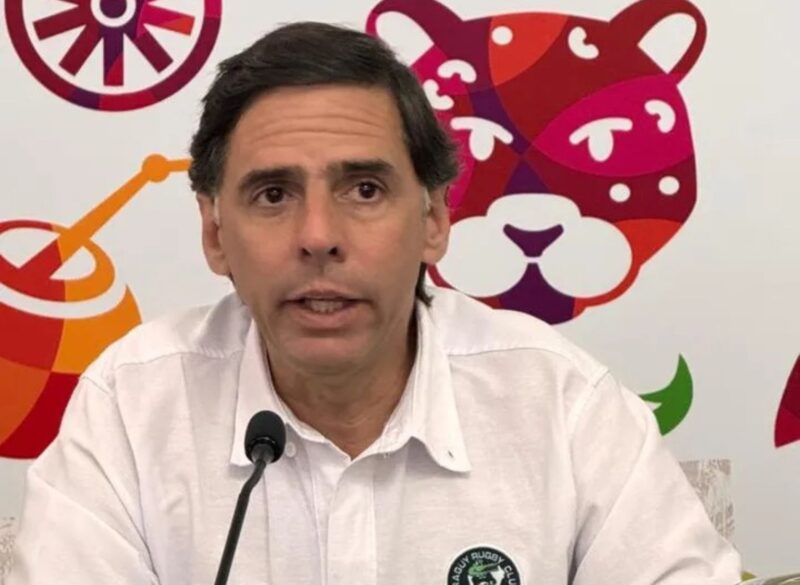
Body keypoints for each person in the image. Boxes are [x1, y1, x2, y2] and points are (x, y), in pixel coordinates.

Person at [7, 21, 741, 585]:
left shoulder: (563, 403)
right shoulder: (132, 407)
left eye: (364, 189)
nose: (318, 236)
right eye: (273, 194)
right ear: (215, 233)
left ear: (434, 220)